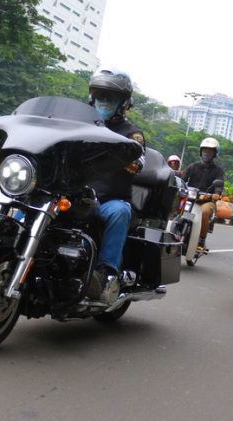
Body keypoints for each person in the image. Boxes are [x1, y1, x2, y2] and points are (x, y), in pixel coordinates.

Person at [85, 67, 145, 300]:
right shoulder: (81, 124)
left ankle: (105, 273)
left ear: (124, 103)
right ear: (92, 96)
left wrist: (129, 159)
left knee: (120, 212)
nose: (104, 101)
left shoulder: (132, 134)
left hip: (108, 200)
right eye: (100, 95)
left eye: (111, 97)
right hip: (75, 195)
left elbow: (138, 160)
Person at [182, 137, 224, 251]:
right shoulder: (193, 166)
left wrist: (217, 193)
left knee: (204, 212)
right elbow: (182, 179)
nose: (206, 153)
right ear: (201, 152)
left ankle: (201, 239)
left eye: (209, 151)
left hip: (207, 200)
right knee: (177, 208)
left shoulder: (218, 171)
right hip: (190, 198)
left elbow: (219, 185)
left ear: (215, 153)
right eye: (204, 150)